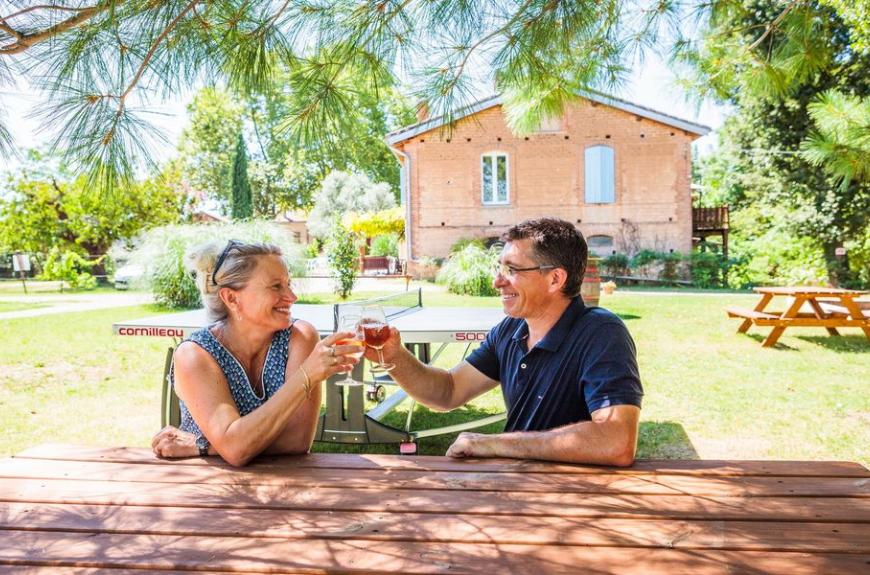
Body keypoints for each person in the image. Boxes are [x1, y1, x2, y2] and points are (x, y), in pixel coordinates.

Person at [364, 218, 643, 465]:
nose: (497, 281)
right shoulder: (511, 330)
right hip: (516, 488)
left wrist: (494, 444)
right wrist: (394, 358)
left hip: (574, 499)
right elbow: (448, 391)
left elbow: (616, 439)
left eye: (512, 270)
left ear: (555, 279)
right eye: (500, 268)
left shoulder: (602, 333)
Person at [150, 240, 358, 466]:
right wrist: (306, 376)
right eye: (276, 286)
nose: (292, 296)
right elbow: (235, 450)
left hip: (286, 484)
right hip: (208, 487)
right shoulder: (195, 355)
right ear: (232, 298)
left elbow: (297, 441)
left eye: (289, 284)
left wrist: (202, 445)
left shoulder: (300, 337)